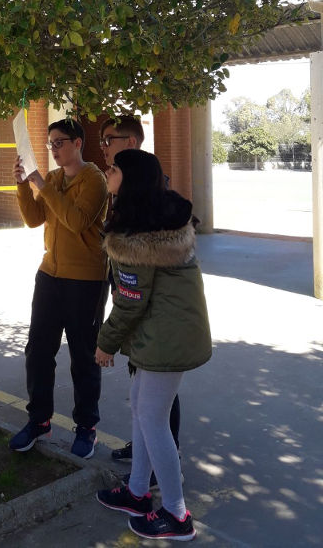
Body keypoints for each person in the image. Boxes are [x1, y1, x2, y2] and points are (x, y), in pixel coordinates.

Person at [94, 149, 211, 541]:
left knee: (154, 419)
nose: (107, 174)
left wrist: (105, 344)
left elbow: (129, 301)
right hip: (164, 332)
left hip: (165, 337)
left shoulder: (134, 236)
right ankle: (137, 492)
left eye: (112, 169)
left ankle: (177, 515)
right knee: (144, 409)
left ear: (129, 178)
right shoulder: (160, 216)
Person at [10, 118, 108, 459]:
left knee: (84, 356)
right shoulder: (51, 178)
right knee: (37, 351)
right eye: (50, 143)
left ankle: (87, 427)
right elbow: (35, 218)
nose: (53, 149)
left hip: (86, 280)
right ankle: (39, 420)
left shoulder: (93, 179)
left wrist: (41, 183)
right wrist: (24, 185)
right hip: (49, 275)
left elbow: (77, 220)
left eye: (60, 142)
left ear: (78, 143)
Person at [99, 115, 181, 478]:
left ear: (130, 143)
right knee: (143, 402)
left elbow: (137, 292)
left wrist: (107, 341)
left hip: (155, 325)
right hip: (142, 317)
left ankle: (164, 469)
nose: (103, 148)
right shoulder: (126, 196)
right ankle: (145, 466)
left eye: (109, 140)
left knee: (155, 406)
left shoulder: (149, 200)